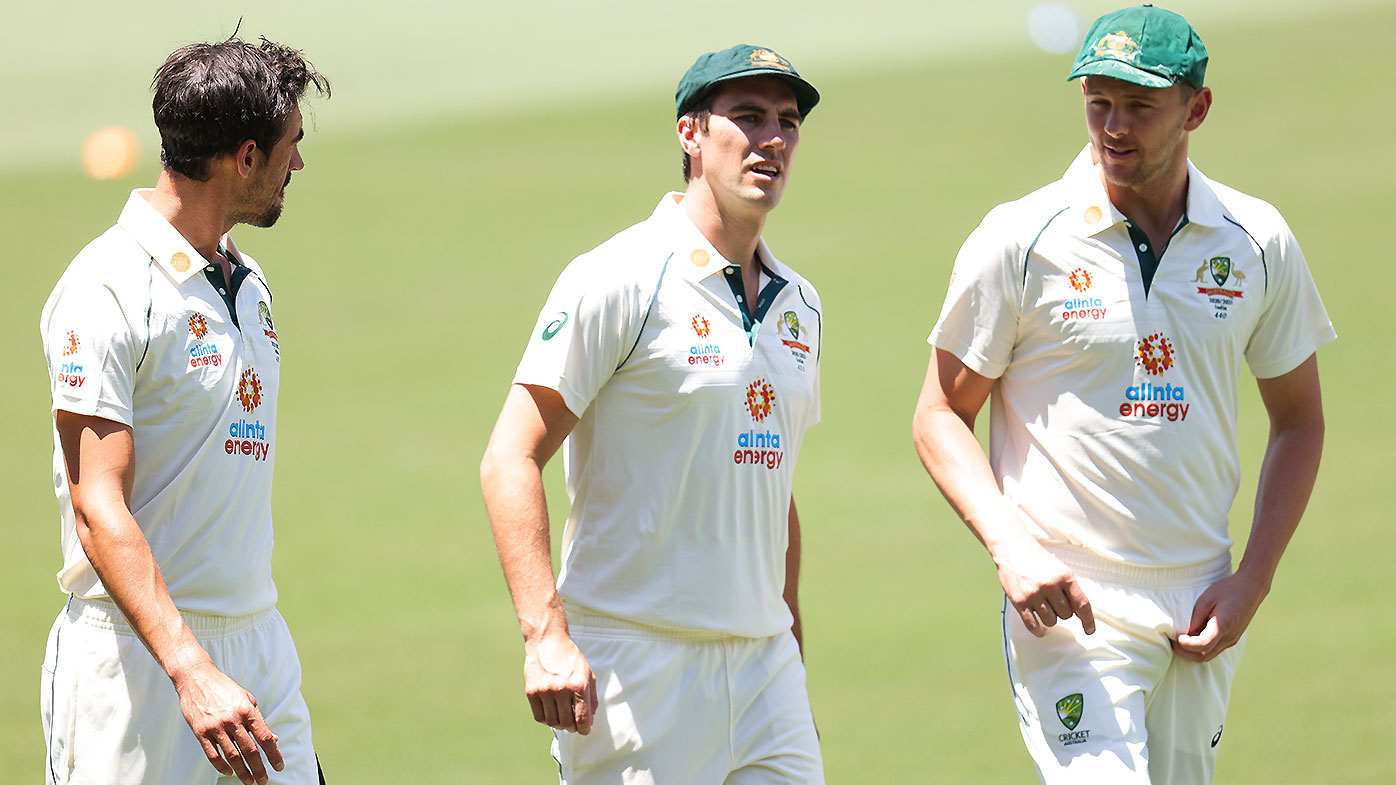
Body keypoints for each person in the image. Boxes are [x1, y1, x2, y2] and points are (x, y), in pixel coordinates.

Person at [911, 6, 1333, 784]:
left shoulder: (1257, 239)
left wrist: (1254, 579)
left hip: (1202, 598)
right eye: (1098, 101)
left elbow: (1300, 420)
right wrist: (1011, 548)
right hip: (1071, 603)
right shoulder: (1020, 238)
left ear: (1196, 108)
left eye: (1139, 105)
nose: (1113, 125)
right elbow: (939, 413)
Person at [480, 44, 825, 784]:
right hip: (638, 668)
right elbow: (509, 457)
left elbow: (772, 485)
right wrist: (545, 636)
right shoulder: (621, 275)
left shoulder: (802, 304)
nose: (772, 139)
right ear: (690, 133)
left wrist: (790, 653)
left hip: (766, 671)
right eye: (748, 117)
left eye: (787, 122)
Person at [39, 36, 329, 785]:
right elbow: (97, 503)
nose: (296, 164)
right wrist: (190, 667)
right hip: (137, 667)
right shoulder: (105, 288)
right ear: (243, 156)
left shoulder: (248, 280)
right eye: (289, 146)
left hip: (258, 645)